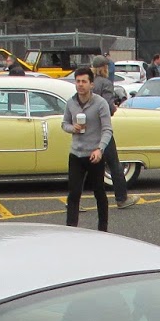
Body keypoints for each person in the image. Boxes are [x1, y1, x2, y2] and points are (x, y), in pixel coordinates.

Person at [61, 66, 113, 231]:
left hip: (94, 154)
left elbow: (107, 129)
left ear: (91, 84)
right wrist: (72, 128)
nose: (80, 85)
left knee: (99, 192)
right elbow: (64, 124)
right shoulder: (71, 102)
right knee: (74, 193)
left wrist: (100, 149)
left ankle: (103, 228)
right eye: (78, 81)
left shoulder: (100, 103)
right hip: (76, 153)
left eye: (84, 81)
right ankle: (71, 228)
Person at [90, 57, 134, 208]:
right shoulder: (106, 83)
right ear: (104, 68)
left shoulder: (89, 82)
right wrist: (114, 108)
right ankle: (121, 198)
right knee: (114, 164)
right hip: (102, 128)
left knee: (83, 164)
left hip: (88, 128)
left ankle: (73, 200)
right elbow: (108, 106)